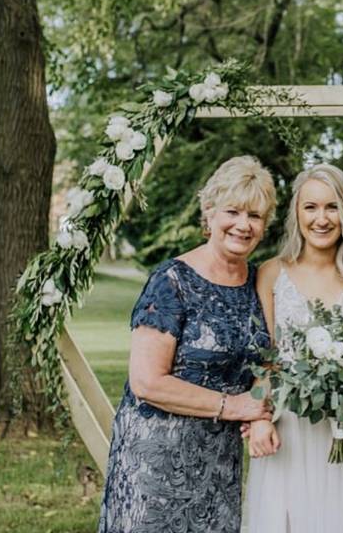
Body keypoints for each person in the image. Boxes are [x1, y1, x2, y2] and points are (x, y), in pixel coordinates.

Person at [98, 156, 276, 533]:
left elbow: (265, 360)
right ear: (209, 213)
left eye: (255, 216)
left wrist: (259, 409)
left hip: (218, 464)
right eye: (233, 211)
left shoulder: (259, 283)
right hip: (156, 463)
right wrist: (234, 406)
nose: (243, 225)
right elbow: (147, 383)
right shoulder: (172, 281)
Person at [244, 163, 343, 533]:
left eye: (332, 207)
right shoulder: (272, 273)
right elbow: (266, 357)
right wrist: (259, 418)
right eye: (310, 207)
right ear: (296, 212)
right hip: (290, 427)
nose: (321, 219)